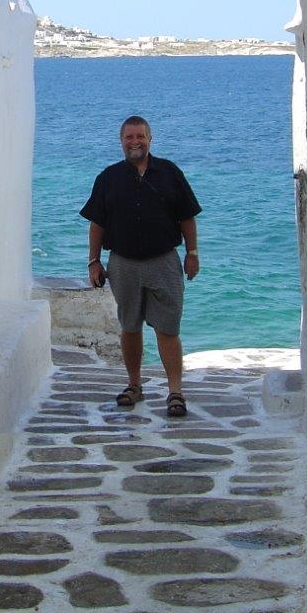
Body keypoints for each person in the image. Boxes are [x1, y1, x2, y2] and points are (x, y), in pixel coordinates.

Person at [80, 115, 201, 417]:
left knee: (168, 328)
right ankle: (134, 385)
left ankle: (175, 391)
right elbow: (97, 223)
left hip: (164, 262)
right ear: (121, 141)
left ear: (150, 139)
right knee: (130, 327)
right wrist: (94, 261)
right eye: (129, 137)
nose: (135, 142)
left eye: (140, 136)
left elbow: (187, 216)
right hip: (123, 264)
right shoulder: (108, 178)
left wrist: (192, 253)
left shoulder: (170, 173)